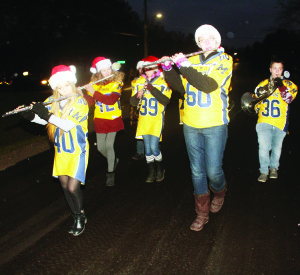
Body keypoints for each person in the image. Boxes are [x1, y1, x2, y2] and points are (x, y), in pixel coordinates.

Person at [161, 24, 233, 231]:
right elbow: (180, 87)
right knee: (196, 171)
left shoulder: (224, 60)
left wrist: (183, 65)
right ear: (198, 43)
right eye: (202, 39)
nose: (206, 41)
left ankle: (220, 191)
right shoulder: (191, 61)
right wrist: (168, 69)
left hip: (214, 124)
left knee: (213, 171)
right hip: (191, 123)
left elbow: (208, 85)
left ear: (217, 41)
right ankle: (202, 213)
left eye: (210, 38)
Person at [20, 65, 89, 236]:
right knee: (65, 186)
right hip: (61, 150)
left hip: (77, 150)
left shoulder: (80, 101)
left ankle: (80, 217)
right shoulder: (53, 100)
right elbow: (45, 121)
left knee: (73, 187)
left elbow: (66, 125)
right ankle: (76, 215)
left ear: (72, 84)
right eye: (59, 87)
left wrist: (46, 114)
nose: (63, 90)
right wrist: (31, 116)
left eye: (66, 85)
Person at [254, 58, 298, 182]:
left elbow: (289, 99)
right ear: (270, 69)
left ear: (282, 70)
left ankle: (273, 168)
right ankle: (263, 171)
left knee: (277, 148)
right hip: (264, 121)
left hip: (280, 122)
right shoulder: (262, 83)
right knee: (263, 147)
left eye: (280, 69)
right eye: (275, 68)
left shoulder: (290, 85)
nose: (277, 72)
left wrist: (281, 86)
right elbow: (255, 99)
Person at [130, 56, 172, 182]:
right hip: (143, 119)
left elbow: (166, 100)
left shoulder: (162, 81)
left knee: (154, 147)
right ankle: (151, 171)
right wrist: (137, 96)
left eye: (150, 67)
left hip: (156, 119)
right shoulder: (138, 82)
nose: (148, 70)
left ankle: (160, 169)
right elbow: (132, 102)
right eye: (146, 68)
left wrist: (151, 89)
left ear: (156, 67)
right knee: (147, 149)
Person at [84, 56, 124, 187]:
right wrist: (80, 94)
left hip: (113, 119)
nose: (107, 72)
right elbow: (89, 101)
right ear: (99, 72)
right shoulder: (95, 84)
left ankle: (110, 173)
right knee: (100, 147)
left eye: (108, 69)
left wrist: (93, 92)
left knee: (109, 146)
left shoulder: (117, 82)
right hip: (100, 119)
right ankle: (113, 160)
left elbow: (111, 100)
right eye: (104, 70)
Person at [131, 59, 145, 161]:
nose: (141, 70)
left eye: (142, 68)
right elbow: (133, 97)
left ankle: (153, 148)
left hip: (151, 109)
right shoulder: (135, 81)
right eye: (139, 68)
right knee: (139, 130)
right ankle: (140, 151)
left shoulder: (154, 78)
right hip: (139, 108)